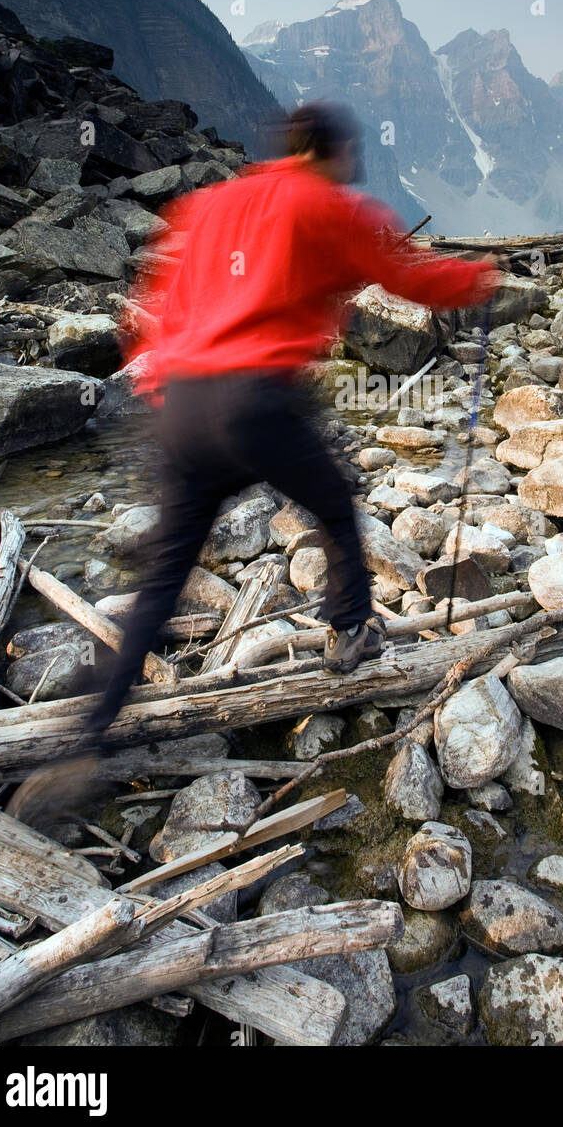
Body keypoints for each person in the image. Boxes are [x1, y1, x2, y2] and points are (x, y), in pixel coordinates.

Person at [84, 101, 500, 741]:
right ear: (329, 152)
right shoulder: (329, 204)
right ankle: (350, 629)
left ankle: (100, 712)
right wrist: (476, 279)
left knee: (170, 563)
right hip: (256, 399)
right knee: (333, 500)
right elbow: (404, 276)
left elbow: (153, 305)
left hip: (185, 405)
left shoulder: (212, 205)